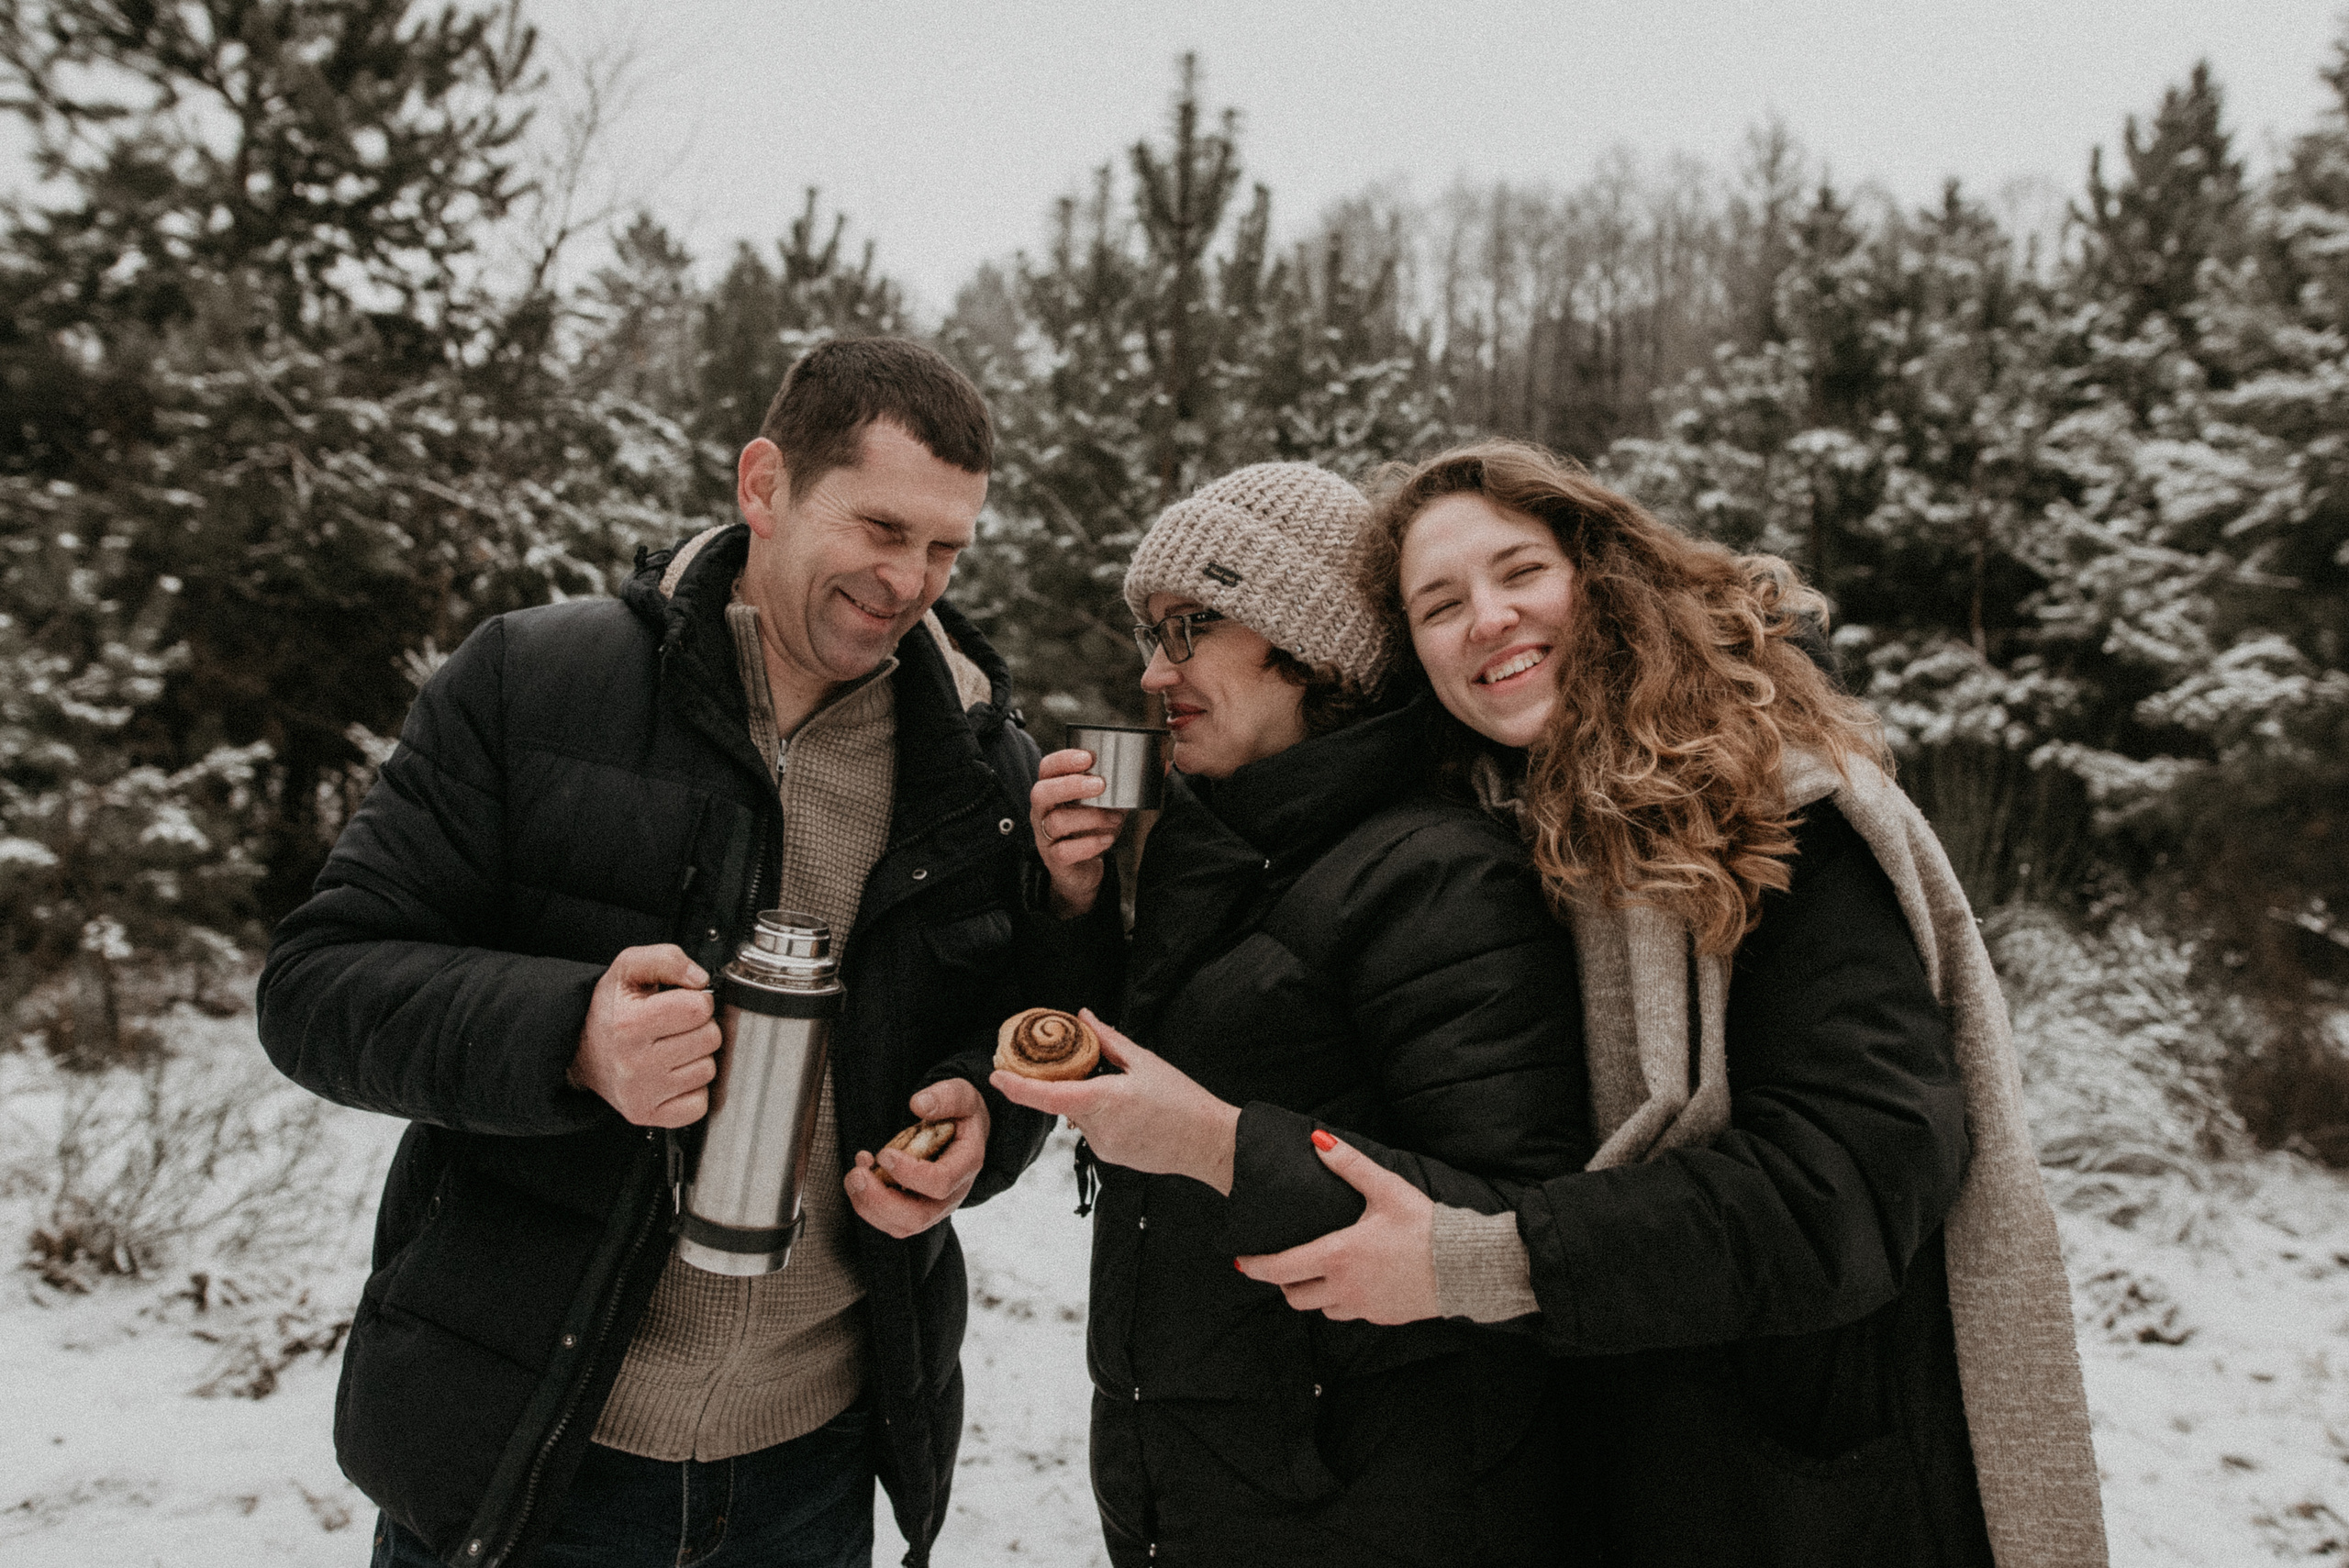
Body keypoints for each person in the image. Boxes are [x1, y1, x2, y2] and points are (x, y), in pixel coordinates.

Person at [1232, 439, 2110, 1568]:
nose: (1488, 618)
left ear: (1602, 575)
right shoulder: (1500, 831)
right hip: (1632, 1456)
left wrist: (1485, 1255)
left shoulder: (1783, 810)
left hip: (1809, 1479)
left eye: (1519, 572)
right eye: (1439, 603)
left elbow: (1852, 1169)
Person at [257, 338, 1058, 1568]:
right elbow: (318, 987)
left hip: (812, 1475)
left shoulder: (975, 768)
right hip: (532, 1453)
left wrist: (980, 1129)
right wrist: (570, 1035)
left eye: (946, 549)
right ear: (764, 485)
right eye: (883, 528)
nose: (912, 582)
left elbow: (1014, 1035)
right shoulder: (536, 683)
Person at [998, 462, 1594, 1568]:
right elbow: (1161, 1065)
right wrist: (1074, 901)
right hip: (1200, 1484)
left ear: (1312, 645)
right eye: (1149, 631)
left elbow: (1515, 1228)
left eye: (1189, 628)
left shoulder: (1441, 877)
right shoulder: (1217, 838)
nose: (1150, 669)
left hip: (1370, 1505)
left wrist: (1216, 1146)